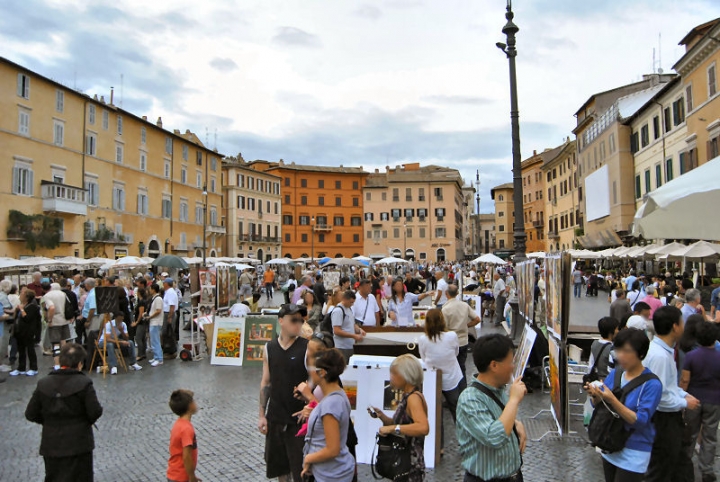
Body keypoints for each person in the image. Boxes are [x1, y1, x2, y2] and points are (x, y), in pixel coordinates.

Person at [585, 329, 663, 482]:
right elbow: (600, 407)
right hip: (610, 444)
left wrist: (612, 399)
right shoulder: (616, 373)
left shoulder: (652, 384)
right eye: (618, 350)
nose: (621, 356)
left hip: (635, 450)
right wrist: (596, 395)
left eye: (627, 351)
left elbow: (641, 420)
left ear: (640, 354)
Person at [25, 343, 103, 481]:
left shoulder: (44, 383)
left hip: (51, 443)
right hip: (79, 443)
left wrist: (48, 421)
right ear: (79, 364)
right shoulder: (84, 383)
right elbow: (95, 411)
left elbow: (31, 413)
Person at [456, 334, 527, 482]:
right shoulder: (470, 399)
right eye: (510, 362)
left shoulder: (499, 390)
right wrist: (514, 400)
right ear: (494, 365)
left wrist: (514, 423)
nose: (513, 367)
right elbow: (494, 437)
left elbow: (497, 419)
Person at [643, 306, 700, 482]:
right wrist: (684, 403)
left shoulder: (663, 352)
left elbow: (668, 387)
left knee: (679, 466)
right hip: (663, 421)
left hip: (668, 420)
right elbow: (659, 397)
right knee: (661, 469)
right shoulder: (660, 356)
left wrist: (683, 394)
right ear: (675, 326)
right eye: (681, 322)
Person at [258, 304, 309, 482]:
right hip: (276, 417)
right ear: (281, 321)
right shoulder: (269, 348)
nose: (298, 324)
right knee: (280, 467)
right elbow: (266, 382)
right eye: (293, 320)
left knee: (300, 469)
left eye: (301, 320)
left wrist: (309, 403)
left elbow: (316, 382)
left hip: (299, 419)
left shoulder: (307, 347)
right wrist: (261, 415)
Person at [370, 354, 430, 482]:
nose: (391, 378)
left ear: (406, 375)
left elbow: (423, 427)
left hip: (410, 464)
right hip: (403, 461)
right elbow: (402, 424)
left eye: (394, 373)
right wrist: (383, 418)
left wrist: (392, 428)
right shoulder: (407, 396)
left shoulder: (413, 398)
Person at [301, 348, 355, 482]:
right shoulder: (336, 395)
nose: (309, 371)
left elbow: (333, 449)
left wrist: (308, 459)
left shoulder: (331, 404)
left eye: (312, 367)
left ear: (322, 373)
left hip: (330, 474)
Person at [679, 321, 720, 482]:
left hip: (693, 399)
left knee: (690, 433)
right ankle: (707, 470)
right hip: (715, 400)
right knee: (710, 436)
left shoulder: (691, 356)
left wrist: (682, 398)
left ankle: (685, 464)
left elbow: (684, 380)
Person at [419, 309, 465, 420]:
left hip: (433, 378)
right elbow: (456, 352)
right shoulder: (451, 336)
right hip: (451, 377)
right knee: (456, 410)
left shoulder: (423, 339)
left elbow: (423, 358)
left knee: (434, 413)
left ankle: (437, 435)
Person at [441, 285, 481, 380]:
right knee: (462, 366)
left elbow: (443, 328)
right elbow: (477, 319)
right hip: (463, 341)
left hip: (450, 343)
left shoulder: (445, 309)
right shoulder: (464, 305)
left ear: (446, 294)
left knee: (451, 368)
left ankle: (454, 388)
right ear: (457, 293)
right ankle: (463, 387)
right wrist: (465, 325)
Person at [167, 389, 201, 482]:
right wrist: (191, 477)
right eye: (193, 401)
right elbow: (186, 456)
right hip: (181, 478)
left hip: (174, 474)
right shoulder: (186, 429)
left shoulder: (178, 424)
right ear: (190, 406)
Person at [10, 290, 42, 376]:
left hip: (29, 332)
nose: (20, 295)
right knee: (21, 350)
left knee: (30, 350)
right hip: (19, 332)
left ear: (26, 297)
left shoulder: (32, 307)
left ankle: (33, 368)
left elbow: (27, 318)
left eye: (21, 294)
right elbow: (15, 318)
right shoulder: (21, 306)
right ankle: (21, 368)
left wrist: (21, 309)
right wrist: (17, 310)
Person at [332, 290, 365, 363]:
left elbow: (352, 324)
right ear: (344, 299)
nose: (352, 304)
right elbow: (337, 330)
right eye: (351, 302)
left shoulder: (349, 309)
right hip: (342, 347)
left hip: (350, 345)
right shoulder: (338, 311)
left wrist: (359, 330)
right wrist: (353, 336)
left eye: (353, 302)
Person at [42, 283, 70, 370]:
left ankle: (57, 364)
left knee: (56, 344)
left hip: (55, 321)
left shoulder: (47, 296)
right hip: (64, 320)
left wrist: (49, 320)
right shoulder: (63, 294)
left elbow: (51, 308)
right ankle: (65, 363)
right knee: (64, 342)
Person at [161, 278, 179, 362]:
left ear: (166, 284)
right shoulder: (168, 292)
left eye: (163, 283)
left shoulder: (170, 292)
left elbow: (172, 306)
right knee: (166, 333)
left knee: (168, 333)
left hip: (168, 314)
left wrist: (169, 317)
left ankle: (171, 351)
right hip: (167, 313)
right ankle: (168, 351)